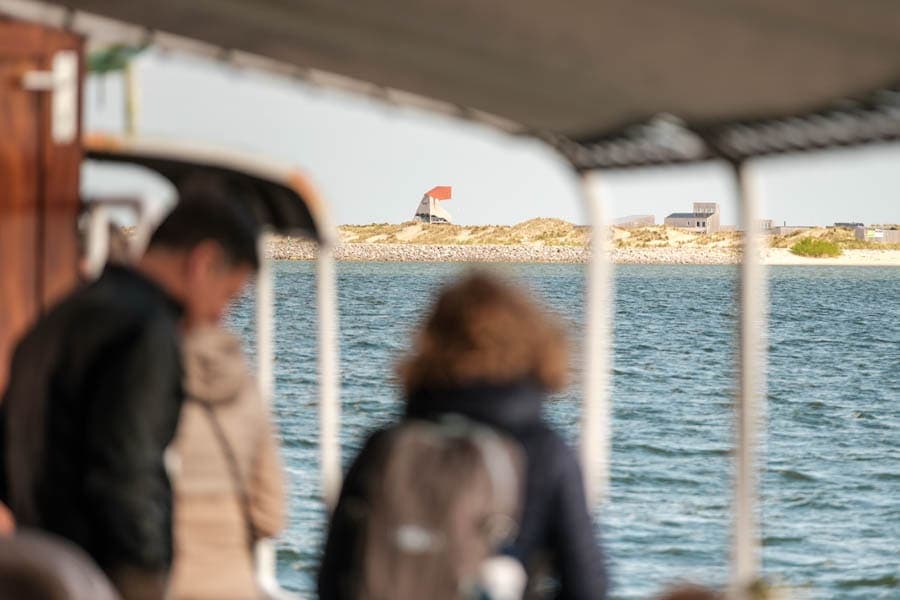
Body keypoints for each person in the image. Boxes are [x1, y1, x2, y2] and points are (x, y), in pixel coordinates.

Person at [0, 187, 259, 600]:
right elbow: (127, 472)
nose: (220, 314)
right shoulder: (146, 333)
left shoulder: (62, 316)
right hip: (103, 576)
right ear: (203, 262)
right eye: (228, 295)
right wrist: (145, 577)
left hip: (39, 569)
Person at [318, 273, 609, 599]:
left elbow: (332, 574)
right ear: (534, 343)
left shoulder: (384, 445)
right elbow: (587, 585)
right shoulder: (544, 451)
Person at [167, 325, 285, 600]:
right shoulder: (247, 391)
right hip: (232, 582)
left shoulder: (143, 384)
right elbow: (271, 514)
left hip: (165, 581)